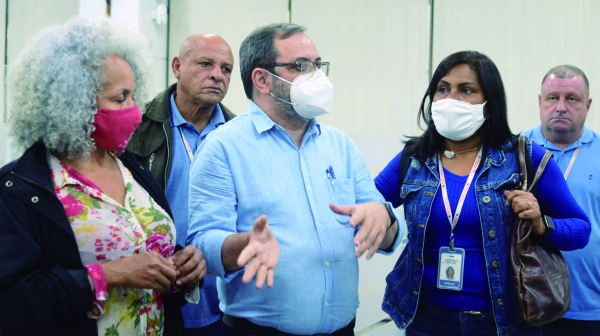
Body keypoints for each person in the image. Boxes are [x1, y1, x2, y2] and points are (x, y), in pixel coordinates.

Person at [186, 23, 404, 336]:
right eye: (301, 66)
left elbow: (384, 235)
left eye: (318, 65)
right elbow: (203, 242)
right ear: (262, 79)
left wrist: (384, 217)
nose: (316, 76)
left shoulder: (340, 145)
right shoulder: (223, 147)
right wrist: (245, 243)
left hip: (342, 329)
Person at [0, 18, 206, 336]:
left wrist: (182, 263)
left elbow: (143, 244)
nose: (134, 110)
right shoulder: (20, 189)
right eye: (119, 98)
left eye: (133, 96)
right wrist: (111, 274)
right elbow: (15, 299)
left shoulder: (131, 169)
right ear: (74, 106)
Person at [375, 51, 591, 336]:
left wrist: (541, 224)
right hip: (426, 320)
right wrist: (374, 217)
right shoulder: (414, 158)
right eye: (442, 89)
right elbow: (371, 203)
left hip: (505, 322)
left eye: (466, 90)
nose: (451, 99)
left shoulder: (523, 157)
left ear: (490, 105)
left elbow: (581, 229)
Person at [128, 33, 235, 335]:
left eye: (226, 69)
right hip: (155, 295)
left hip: (223, 303)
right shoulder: (137, 127)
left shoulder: (239, 136)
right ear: (177, 66)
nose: (217, 74)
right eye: (205, 64)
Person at [521, 65, 600, 335]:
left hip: (589, 306)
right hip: (524, 301)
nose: (561, 107)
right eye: (553, 98)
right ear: (540, 102)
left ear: (587, 105)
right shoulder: (513, 152)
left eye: (572, 99)